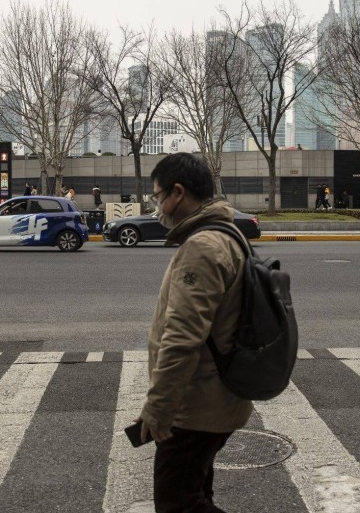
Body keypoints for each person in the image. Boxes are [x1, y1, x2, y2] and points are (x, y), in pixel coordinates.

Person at [137, 152, 251, 513]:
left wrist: (159, 409)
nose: (158, 207)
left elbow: (182, 339)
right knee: (196, 494)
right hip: (214, 398)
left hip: (194, 408)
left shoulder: (202, 247)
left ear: (178, 192)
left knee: (179, 505)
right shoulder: (225, 234)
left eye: (158, 197)